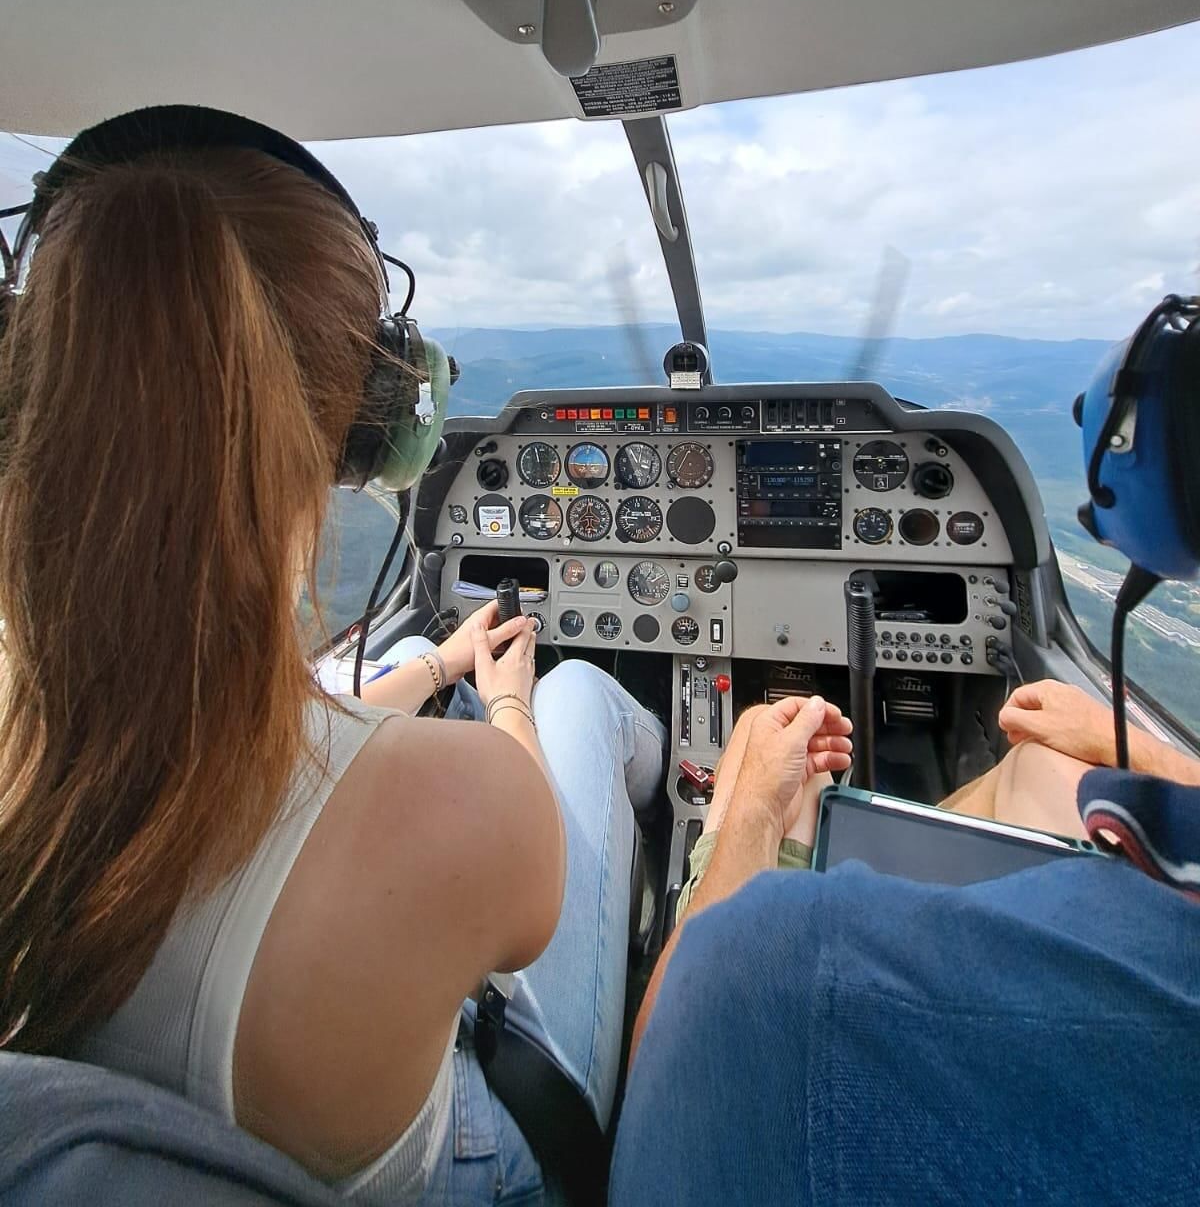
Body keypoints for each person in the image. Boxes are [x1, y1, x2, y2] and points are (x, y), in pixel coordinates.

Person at [0, 117, 665, 1205]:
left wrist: (435, 663)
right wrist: (506, 704)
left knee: (397, 646)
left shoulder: (30, 720)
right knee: (585, 694)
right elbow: (524, 909)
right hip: (481, 1162)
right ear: (365, 420)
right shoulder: (473, 801)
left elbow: (273, 722)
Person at [615, 686, 1200, 1205]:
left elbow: (680, 1023)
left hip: (718, 1103)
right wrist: (1129, 747)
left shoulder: (784, 945)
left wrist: (758, 809)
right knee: (1038, 761)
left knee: (754, 741)